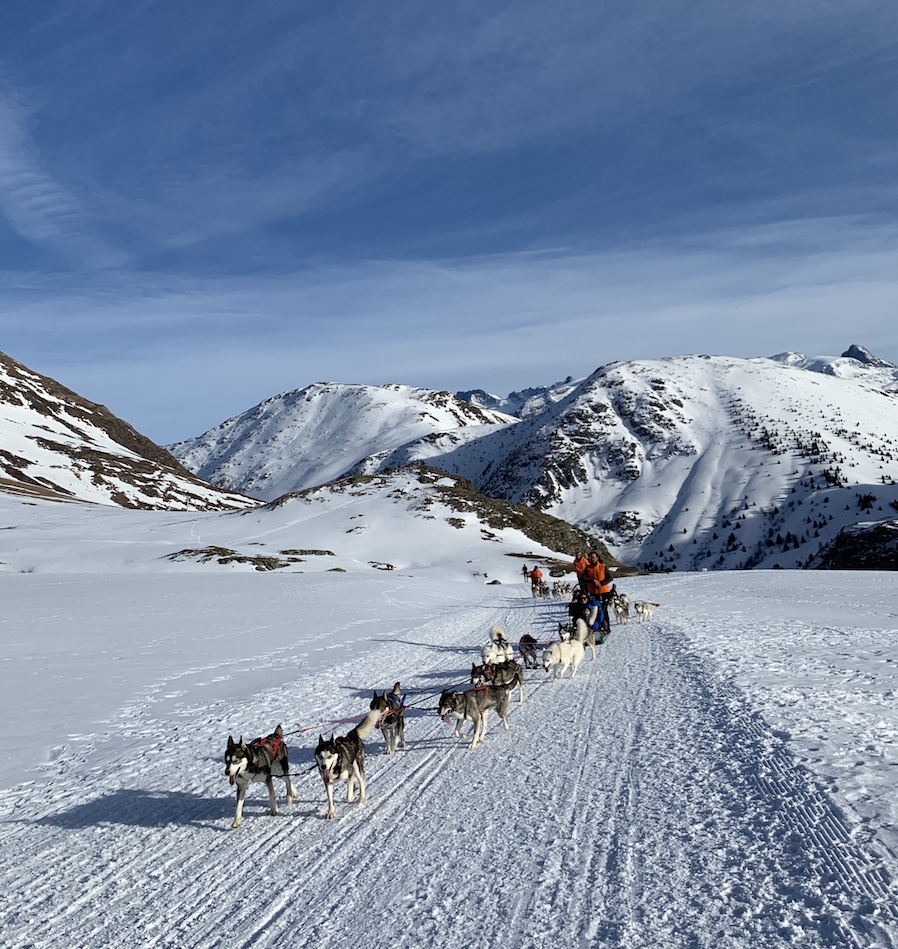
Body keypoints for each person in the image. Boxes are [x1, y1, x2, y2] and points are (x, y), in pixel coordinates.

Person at [582, 550, 612, 634]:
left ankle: (606, 628)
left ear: (597, 558)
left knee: (603, 610)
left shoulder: (603, 566)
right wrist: (592, 581)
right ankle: (596, 627)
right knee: (594, 611)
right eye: (590, 558)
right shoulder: (587, 568)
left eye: (593, 557)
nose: (591, 559)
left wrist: (601, 583)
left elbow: (610, 578)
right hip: (593, 593)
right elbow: (583, 579)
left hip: (604, 592)